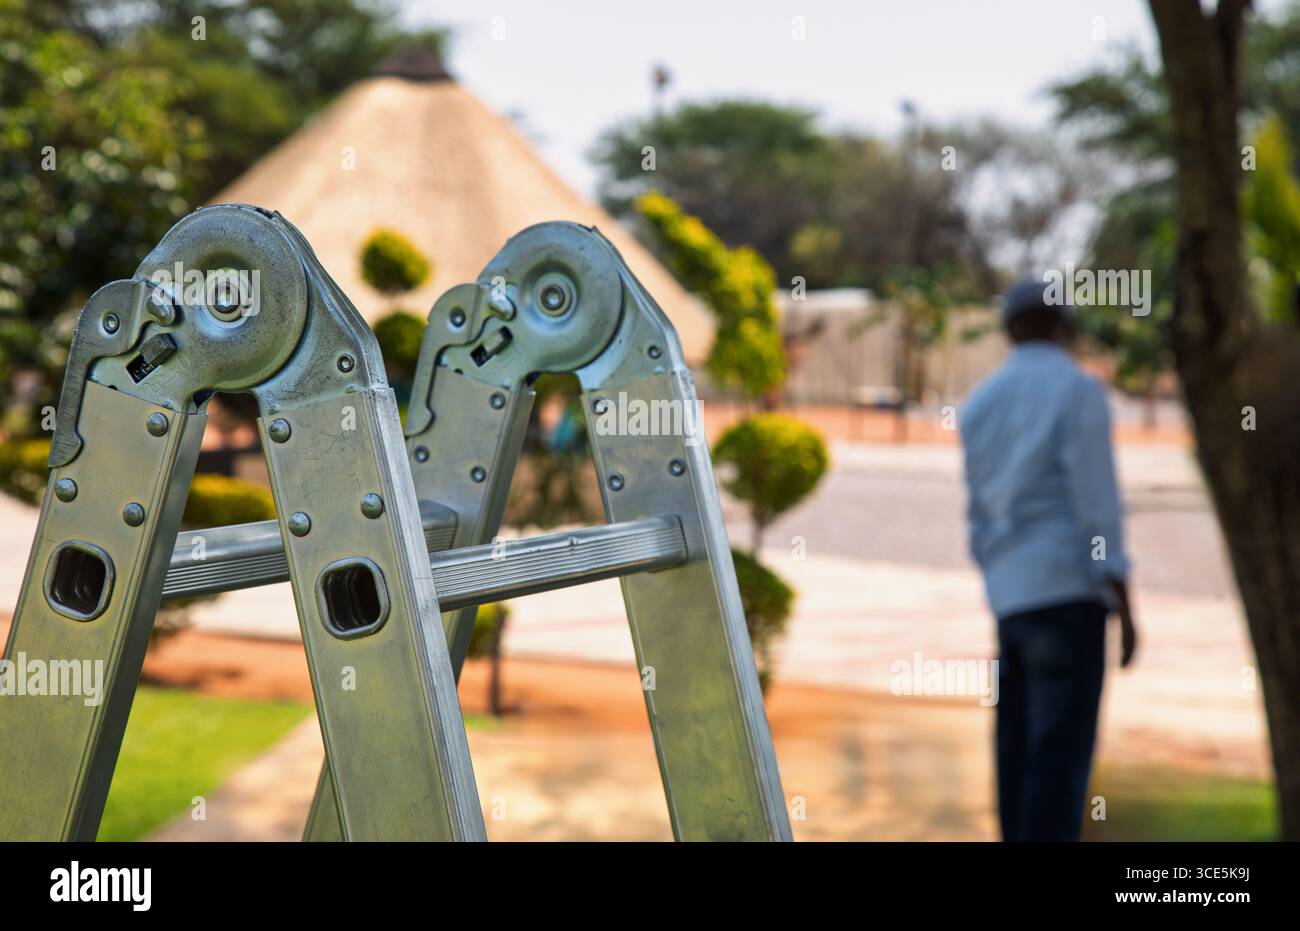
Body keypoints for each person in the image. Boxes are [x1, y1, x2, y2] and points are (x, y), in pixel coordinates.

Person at [960, 277, 1138, 842]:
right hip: (1069, 594)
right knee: (1058, 761)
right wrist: (1125, 600)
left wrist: (999, 580)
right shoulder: (1078, 391)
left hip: (1011, 598)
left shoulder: (979, 402)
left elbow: (979, 517)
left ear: (1010, 328)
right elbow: (1097, 505)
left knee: (1015, 754)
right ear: (1064, 326)